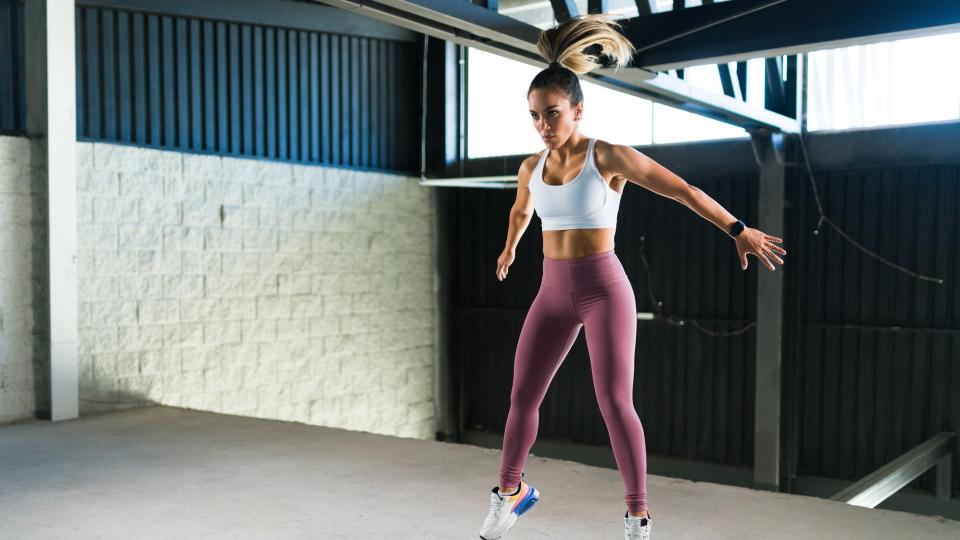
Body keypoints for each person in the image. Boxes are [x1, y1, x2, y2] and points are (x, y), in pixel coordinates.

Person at [477, 13, 788, 540]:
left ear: (577, 110)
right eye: (534, 117)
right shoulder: (531, 167)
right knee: (522, 396)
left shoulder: (609, 157)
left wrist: (736, 227)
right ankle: (510, 495)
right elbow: (521, 210)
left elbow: (682, 190)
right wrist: (509, 248)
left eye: (552, 114)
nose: (543, 126)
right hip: (552, 291)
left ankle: (638, 517)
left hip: (603, 289)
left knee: (614, 401)